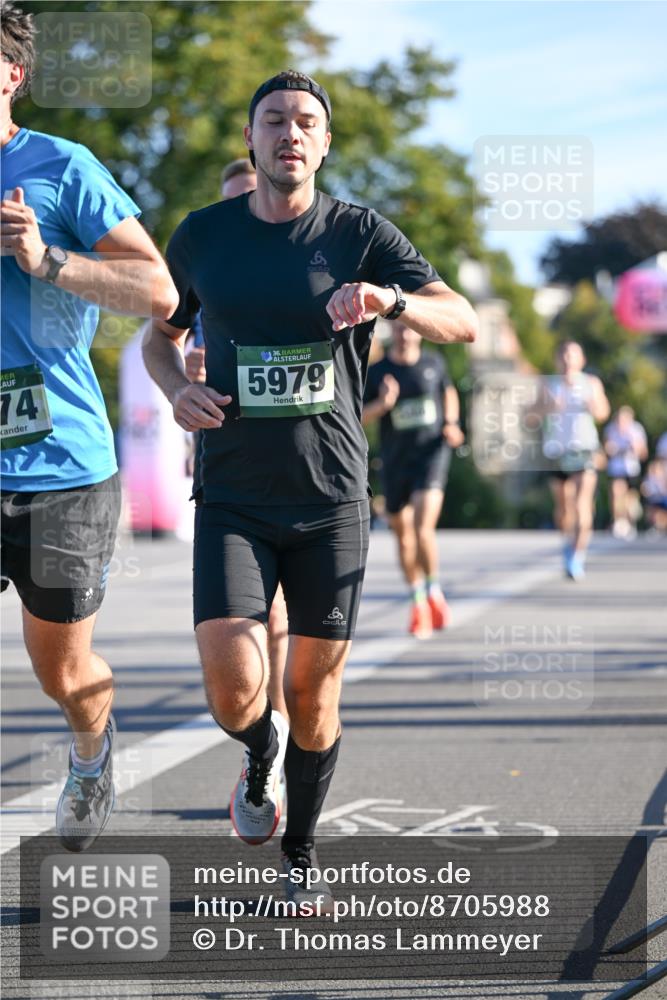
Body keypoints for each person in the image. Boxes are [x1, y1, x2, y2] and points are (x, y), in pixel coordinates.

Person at [142, 69, 477, 910]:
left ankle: (299, 853)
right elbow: (160, 334)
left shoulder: (359, 232)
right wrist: (174, 388)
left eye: (305, 123)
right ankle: (258, 756)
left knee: (312, 695)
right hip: (233, 496)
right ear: (251, 142)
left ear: (323, 144)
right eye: (273, 120)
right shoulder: (202, 236)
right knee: (232, 685)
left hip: (331, 498)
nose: (290, 133)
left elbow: (462, 316)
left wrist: (390, 299)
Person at [0, 3, 177, 851]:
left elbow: (157, 291)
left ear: (12, 74)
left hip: (58, 467)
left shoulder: (59, 167)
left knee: (63, 671)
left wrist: (45, 261)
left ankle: (89, 748)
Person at [183, 158, 289, 721]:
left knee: (277, 612)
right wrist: (186, 373)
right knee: (249, 611)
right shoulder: (208, 259)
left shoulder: (300, 256)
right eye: (231, 199)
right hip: (228, 458)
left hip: (297, 460)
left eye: (246, 195)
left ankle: (277, 711)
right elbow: (171, 336)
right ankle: (263, 731)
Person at [362, 321, 464, 637]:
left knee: (422, 527)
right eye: (400, 330)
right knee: (404, 537)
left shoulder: (434, 363)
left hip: (431, 454)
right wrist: (384, 404)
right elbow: (358, 416)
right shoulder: (379, 371)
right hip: (395, 462)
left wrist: (451, 422)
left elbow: (448, 393)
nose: (405, 334)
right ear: (393, 333)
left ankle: (434, 590)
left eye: (410, 330)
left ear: (418, 333)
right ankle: (418, 599)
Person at [541, 341, 610, 580]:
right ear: (557, 359)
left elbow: (603, 413)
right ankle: (567, 542)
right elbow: (528, 416)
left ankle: (576, 556)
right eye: (563, 355)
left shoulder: (591, 383)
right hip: (557, 452)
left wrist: (593, 405)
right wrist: (547, 407)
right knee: (563, 508)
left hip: (583, 450)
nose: (568, 360)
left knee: (582, 505)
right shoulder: (548, 385)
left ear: (581, 360)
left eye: (572, 355)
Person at [603, 405, 648, 539]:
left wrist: (636, 447)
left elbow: (643, 453)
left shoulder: (636, 429)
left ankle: (630, 521)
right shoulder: (611, 429)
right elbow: (605, 449)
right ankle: (619, 521)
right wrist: (609, 448)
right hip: (616, 468)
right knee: (617, 493)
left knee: (630, 499)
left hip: (631, 468)